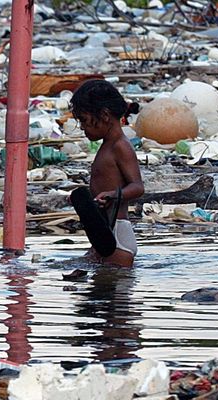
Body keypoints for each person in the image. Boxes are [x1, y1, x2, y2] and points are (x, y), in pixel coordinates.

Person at [70, 79, 144, 267]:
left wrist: (113, 195)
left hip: (116, 236)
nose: (82, 127)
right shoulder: (107, 146)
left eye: (84, 120)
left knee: (113, 283)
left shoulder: (121, 146)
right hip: (104, 233)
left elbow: (138, 187)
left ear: (104, 115)